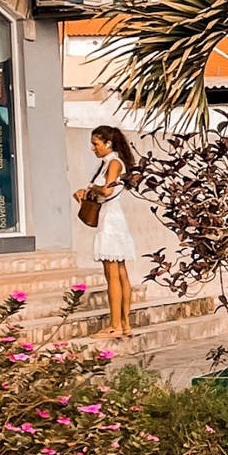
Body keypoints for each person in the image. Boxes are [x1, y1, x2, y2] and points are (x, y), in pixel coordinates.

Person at [75, 125, 137, 336]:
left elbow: (107, 190)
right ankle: (125, 324)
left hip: (111, 218)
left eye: (96, 144)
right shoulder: (112, 163)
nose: (93, 148)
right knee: (120, 272)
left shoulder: (112, 163)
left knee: (112, 273)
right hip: (112, 216)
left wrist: (91, 189)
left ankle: (115, 325)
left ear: (108, 143)